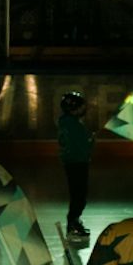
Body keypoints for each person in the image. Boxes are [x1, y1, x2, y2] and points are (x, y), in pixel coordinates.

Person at [56, 90, 94, 242]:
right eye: (81, 107)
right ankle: (72, 225)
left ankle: (74, 221)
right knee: (79, 196)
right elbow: (82, 145)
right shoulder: (73, 125)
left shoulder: (68, 123)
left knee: (78, 195)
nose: (84, 109)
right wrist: (91, 141)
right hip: (77, 163)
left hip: (75, 162)